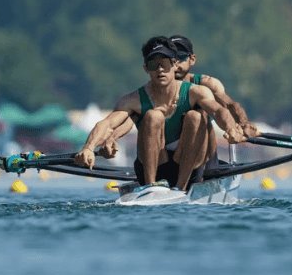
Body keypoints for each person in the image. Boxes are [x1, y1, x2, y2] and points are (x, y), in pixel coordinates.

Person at [74, 36, 245, 191]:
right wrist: (88, 148)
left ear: (174, 64)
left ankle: (180, 187)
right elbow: (106, 124)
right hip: (154, 166)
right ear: (145, 69)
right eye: (153, 65)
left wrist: (231, 128)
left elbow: (219, 110)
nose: (160, 70)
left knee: (196, 116)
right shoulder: (133, 100)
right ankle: (150, 187)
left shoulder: (197, 92)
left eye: (164, 63)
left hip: (190, 166)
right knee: (153, 116)